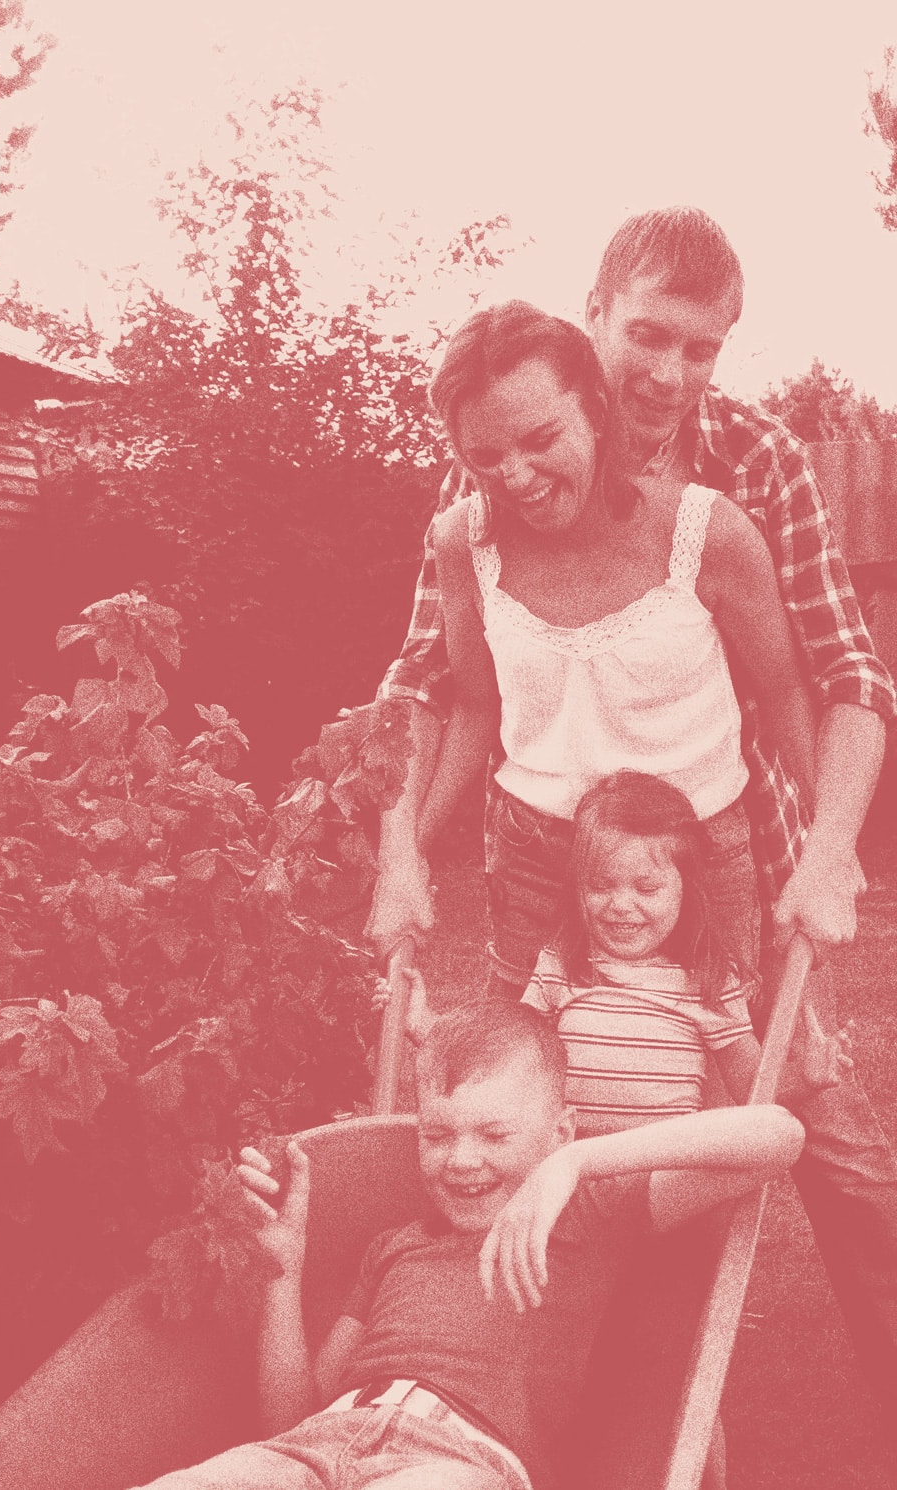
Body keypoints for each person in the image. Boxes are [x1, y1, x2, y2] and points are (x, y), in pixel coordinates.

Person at [365, 206, 897, 1417]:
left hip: (714, 851)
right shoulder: (498, 457)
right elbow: (443, 689)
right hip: (540, 861)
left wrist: (826, 852)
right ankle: (517, 1399)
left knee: (822, 1122)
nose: (668, 373)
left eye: (701, 348)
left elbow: (836, 674)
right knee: (533, 1114)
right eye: (648, 335)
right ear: (592, 314)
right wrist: (404, 849)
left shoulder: (747, 470)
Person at [130, 1002, 805, 1490]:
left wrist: (575, 1168)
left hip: (460, 1460)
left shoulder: (587, 1213)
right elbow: (292, 1414)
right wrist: (284, 1261)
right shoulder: (392, 1249)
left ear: (559, 1132)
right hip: (318, 1444)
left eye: (495, 1135)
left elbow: (776, 1135)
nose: (460, 1160)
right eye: (437, 1133)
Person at [390, 771, 852, 1132]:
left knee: (767, 1136)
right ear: (577, 889)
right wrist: (427, 1028)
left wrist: (804, 1079)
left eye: (647, 887)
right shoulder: (561, 968)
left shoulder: (707, 980)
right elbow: (502, 1053)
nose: (621, 905)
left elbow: (752, 1085)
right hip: (567, 1172)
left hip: (661, 1170)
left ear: (686, 892)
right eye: (600, 885)